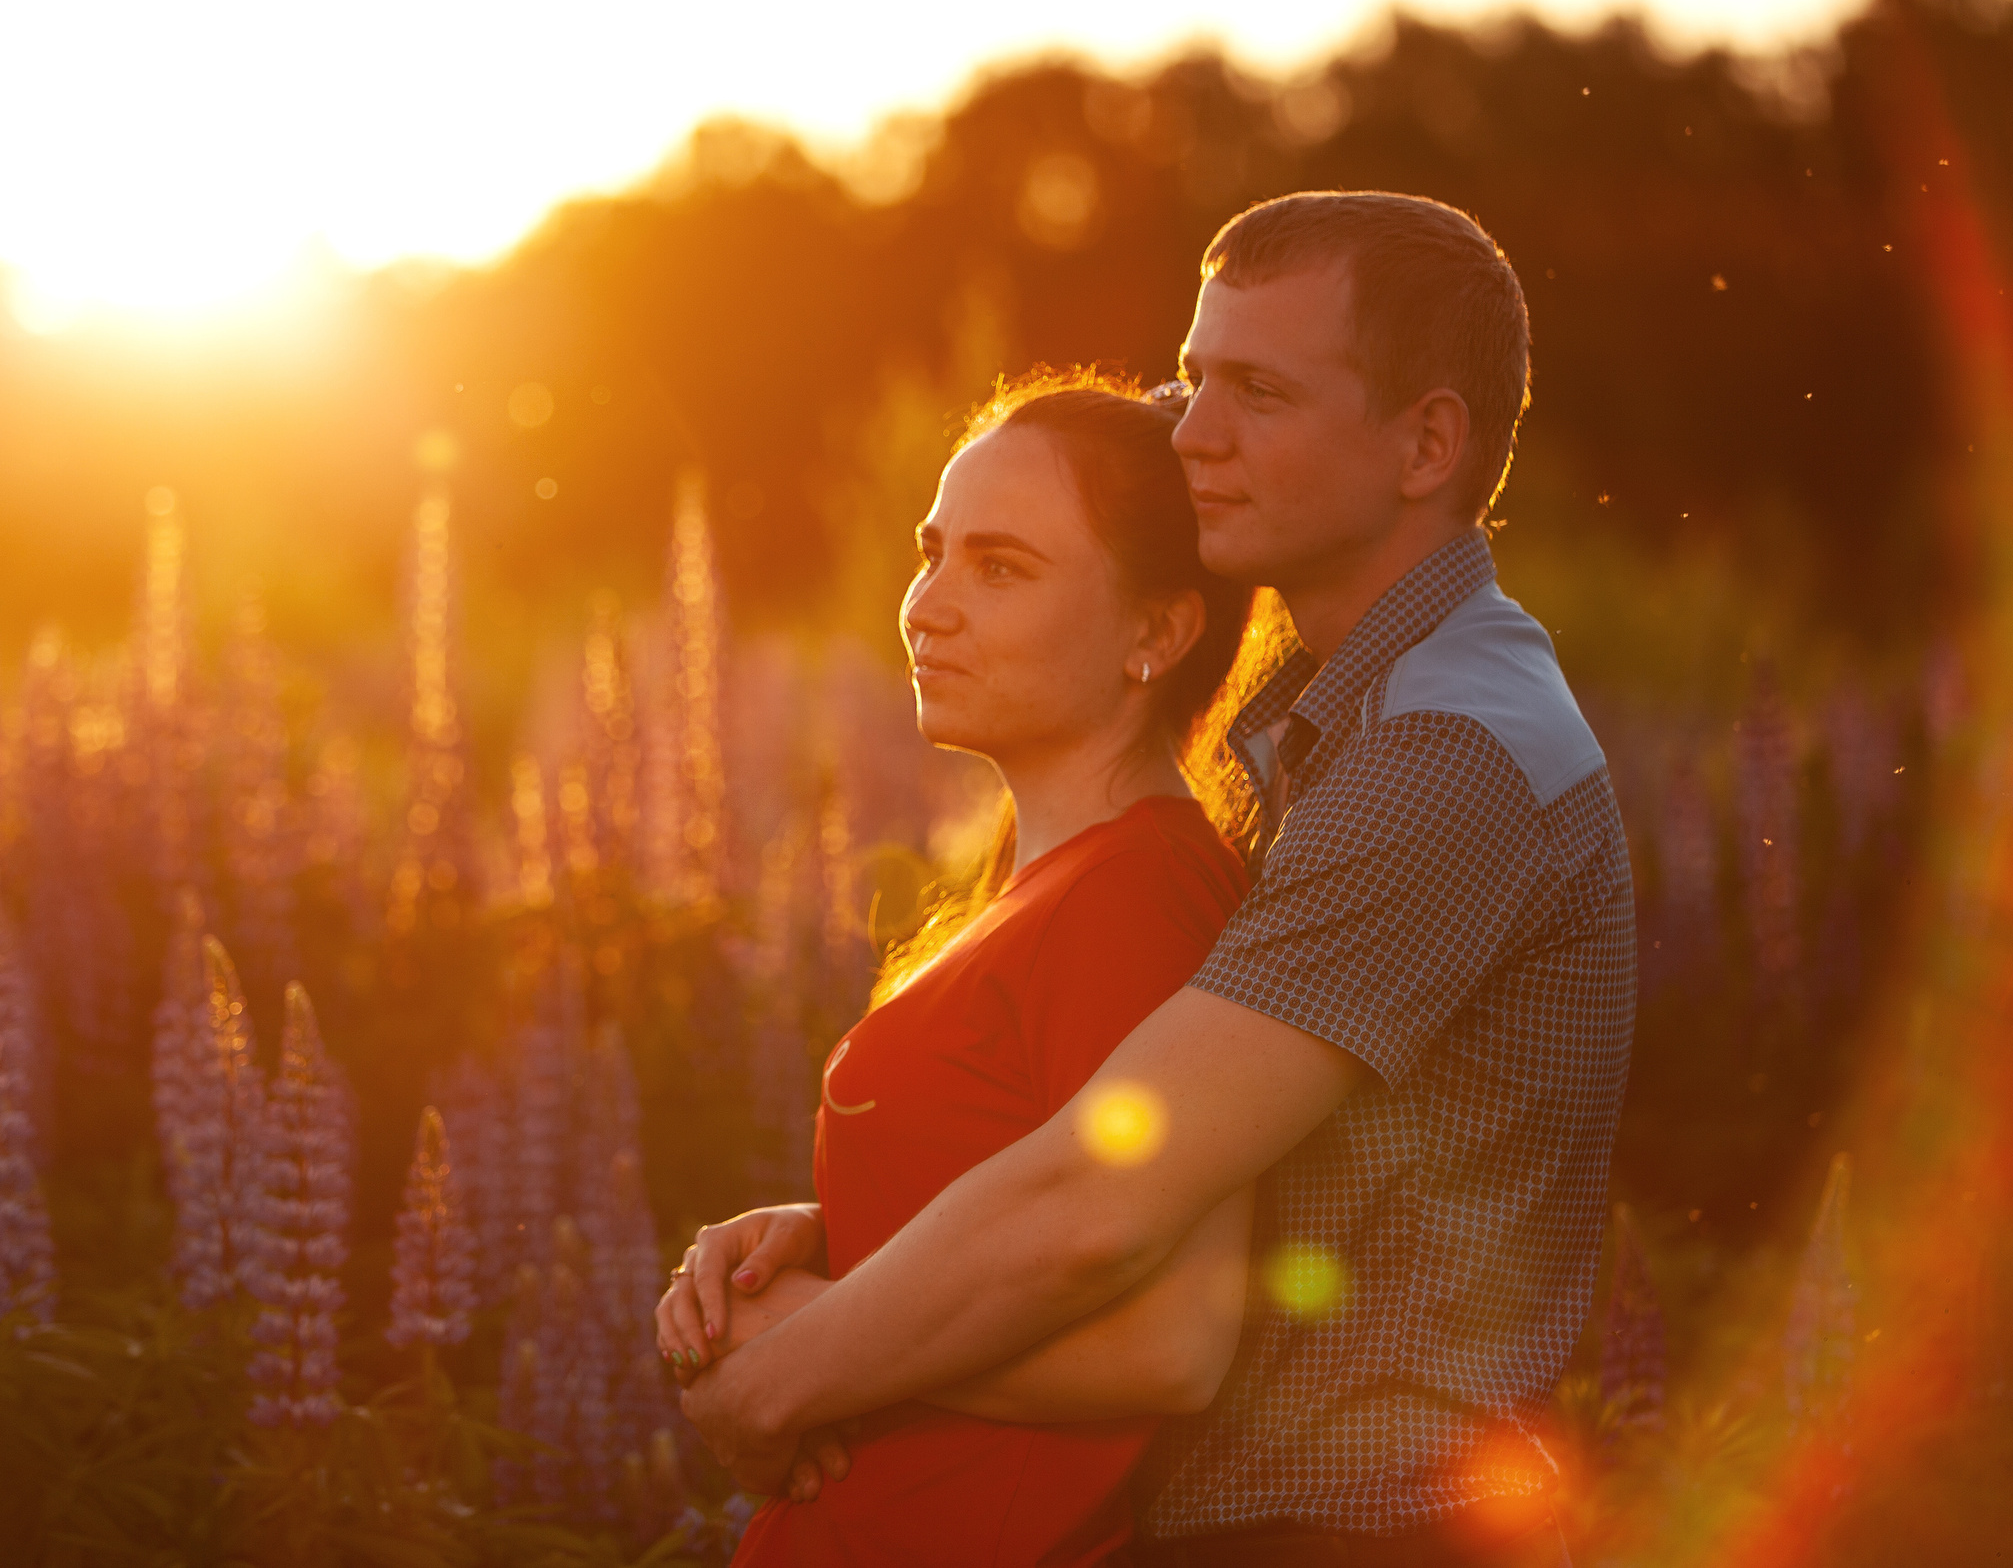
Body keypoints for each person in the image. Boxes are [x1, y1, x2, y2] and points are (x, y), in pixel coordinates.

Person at [670, 192, 1634, 1567]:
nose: (1193, 433)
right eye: (1193, 378)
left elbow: (1108, 1194)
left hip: (1353, 1524)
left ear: (1426, 441)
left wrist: (784, 1370)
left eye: (1258, 390)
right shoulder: (1328, 718)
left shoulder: (1443, 753)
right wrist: (861, 1227)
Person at [657, 374, 1267, 1565]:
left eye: (1001, 568)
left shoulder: (1136, 895)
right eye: (931, 553)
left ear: (1157, 631)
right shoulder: (1040, 881)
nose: (928, 605)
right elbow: (1020, 1199)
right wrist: (831, 1236)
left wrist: (802, 1355)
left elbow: (1166, 1343)